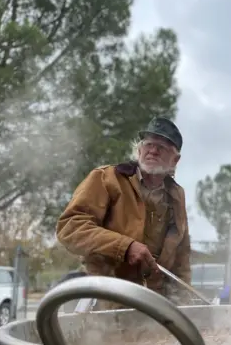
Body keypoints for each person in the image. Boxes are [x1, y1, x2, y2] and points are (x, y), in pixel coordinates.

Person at [56, 116, 193, 310]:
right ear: (139, 149)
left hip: (153, 310)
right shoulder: (107, 178)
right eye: (149, 144)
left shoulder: (177, 196)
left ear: (175, 159)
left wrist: (183, 309)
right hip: (104, 301)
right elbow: (70, 227)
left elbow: (181, 260)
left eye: (162, 147)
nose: (153, 151)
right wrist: (125, 247)